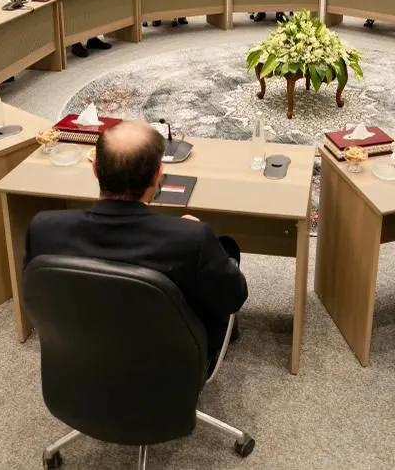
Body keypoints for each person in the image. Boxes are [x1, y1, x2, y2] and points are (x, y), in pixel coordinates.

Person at [25, 121, 247, 370]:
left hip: (79, 358)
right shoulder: (191, 239)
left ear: (95, 169)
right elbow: (234, 298)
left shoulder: (43, 229)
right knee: (226, 250)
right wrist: (194, 235)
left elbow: (35, 297)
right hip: (168, 369)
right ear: (158, 174)